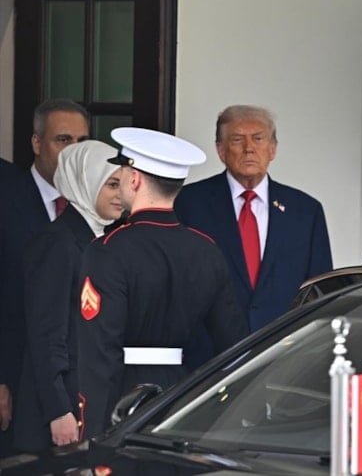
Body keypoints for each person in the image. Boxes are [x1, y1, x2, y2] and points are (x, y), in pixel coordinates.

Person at [76, 127, 250, 440]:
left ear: (134, 179)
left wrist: (94, 433)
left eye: (122, 171)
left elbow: (100, 354)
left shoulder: (108, 250)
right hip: (182, 401)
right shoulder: (205, 249)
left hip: (123, 401)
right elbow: (234, 345)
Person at [174, 105, 333, 341]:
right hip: (209, 349)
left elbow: (320, 290)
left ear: (273, 149)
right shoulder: (189, 203)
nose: (249, 148)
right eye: (237, 139)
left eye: (258, 139)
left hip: (282, 346)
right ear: (220, 150)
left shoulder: (305, 211)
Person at [14, 141, 124, 453]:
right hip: (62, 411)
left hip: (93, 402)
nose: (121, 195)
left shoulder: (105, 239)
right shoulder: (56, 243)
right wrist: (58, 410)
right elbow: (46, 334)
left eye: (124, 184)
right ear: (85, 181)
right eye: (111, 184)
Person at [0, 99, 90, 456]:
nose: (73, 152)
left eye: (82, 142)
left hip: (74, 385)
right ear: (37, 143)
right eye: (63, 140)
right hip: (14, 376)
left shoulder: (97, 204)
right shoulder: (6, 197)